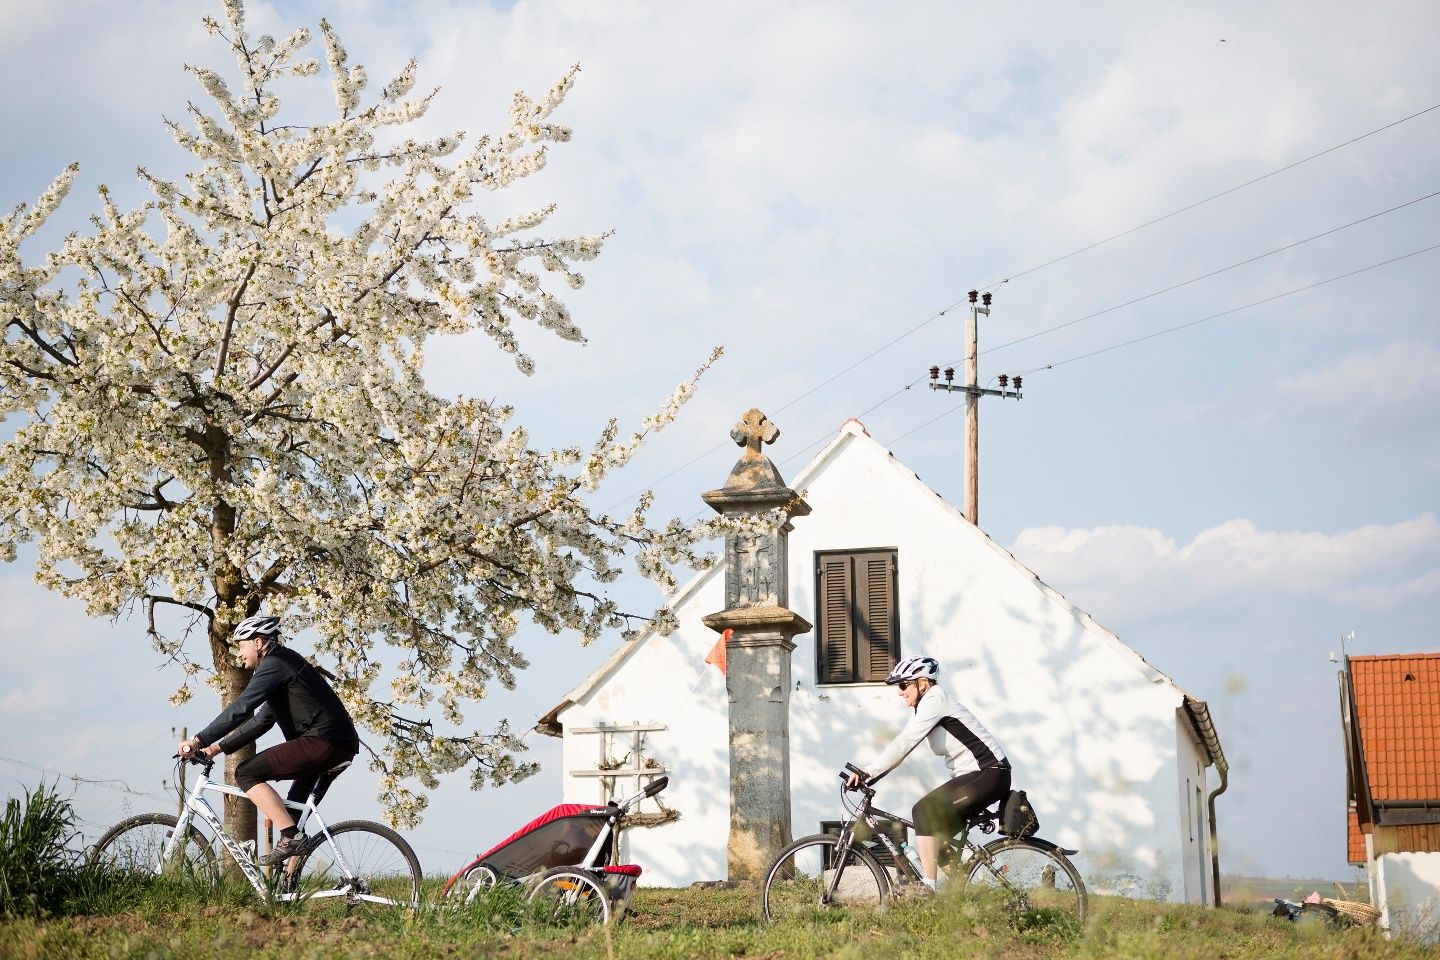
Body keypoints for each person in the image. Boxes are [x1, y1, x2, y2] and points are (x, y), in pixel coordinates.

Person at [177, 615, 359, 865]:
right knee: (292, 818)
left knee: (246, 773)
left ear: (258, 642)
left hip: (324, 742)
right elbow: (262, 720)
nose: (239, 654)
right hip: (337, 745)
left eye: (242, 646)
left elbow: (241, 707)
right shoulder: (283, 664)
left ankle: (291, 838)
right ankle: (289, 880)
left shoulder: (274, 665)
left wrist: (198, 740)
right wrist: (215, 748)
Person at [846, 655, 1011, 892]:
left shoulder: (935, 701)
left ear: (922, 684)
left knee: (923, 811)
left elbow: (904, 743)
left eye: (904, 685)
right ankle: (964, 893)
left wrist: (867, 772)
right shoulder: (929, 704)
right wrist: (870, 775)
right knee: (935, 839)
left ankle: (928, 886)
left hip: (989, 773)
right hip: (981, 776)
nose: (900, 692)